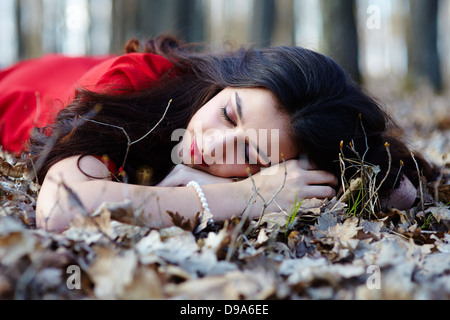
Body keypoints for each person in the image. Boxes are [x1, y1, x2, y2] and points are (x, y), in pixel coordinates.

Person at [0, 35, 433, 233]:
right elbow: (60, 209)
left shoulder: (287, 148)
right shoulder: (133, 89)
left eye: (249, 152)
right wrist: (242, 196)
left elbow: (396, 191)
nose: (209, 145)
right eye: (228, 115)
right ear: (228, 80)